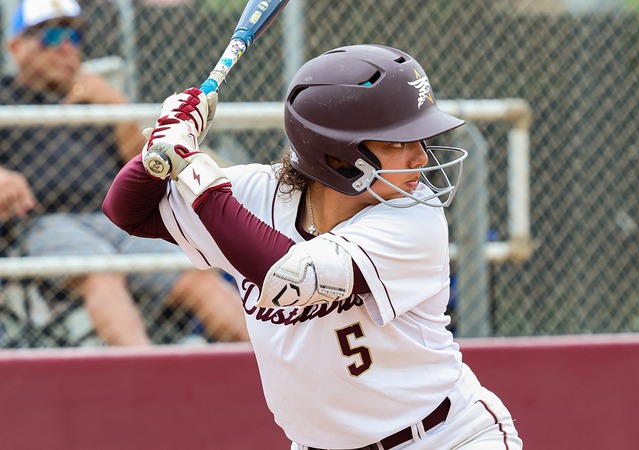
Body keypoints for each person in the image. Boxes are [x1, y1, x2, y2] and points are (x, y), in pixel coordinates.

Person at [104, 44, 522, 449]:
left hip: (445, 437)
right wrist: (161, 146)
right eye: (398, 142)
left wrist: (198, 179)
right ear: (338, 155)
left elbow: (289, 274)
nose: (420, 158)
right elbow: (128, 211)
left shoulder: (415, 217)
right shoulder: (257, 193)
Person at [0, 0, 248, 346]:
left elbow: (146, 165)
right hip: (47, 222)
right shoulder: (5, 97)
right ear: (16, 47)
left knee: (195, 276)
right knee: (102, 272)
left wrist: (115, 104)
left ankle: (264, 379)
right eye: (51, 35)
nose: (67, 46)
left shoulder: (96, 98)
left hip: (116, 219)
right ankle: (147, 386)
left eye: (74, 34)